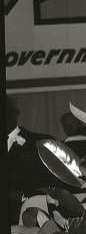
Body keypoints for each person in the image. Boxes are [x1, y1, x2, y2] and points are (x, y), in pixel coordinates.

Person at [6, 95, 57, 224]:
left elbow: (52, 184)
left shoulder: (41, 142)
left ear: (14, 113)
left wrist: (22, 196)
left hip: (29, 221)